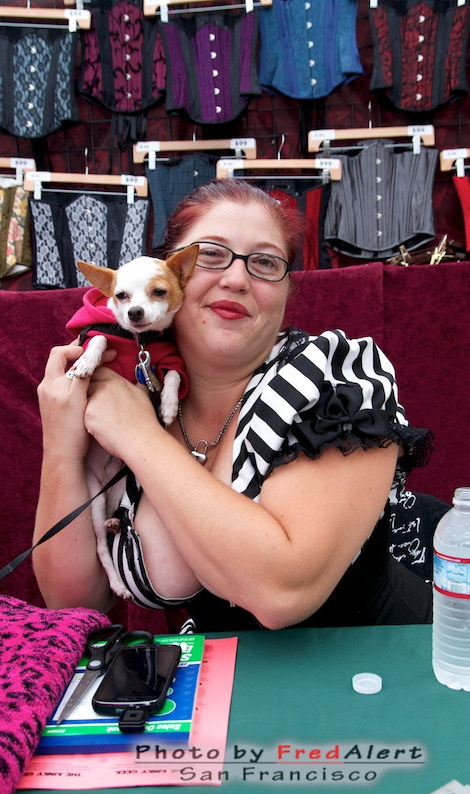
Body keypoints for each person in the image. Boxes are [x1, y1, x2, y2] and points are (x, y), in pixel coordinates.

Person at [33, 179, 433, 631]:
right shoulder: (128, 388)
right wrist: (62, 445)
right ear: (168, 274)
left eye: (264, 262)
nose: (237, 278)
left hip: (376, 676)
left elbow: (283, 594)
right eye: (209, 255)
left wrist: (138, 437)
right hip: (207, 689)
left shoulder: (335, 376)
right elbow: (72, 601)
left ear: (286, 291)